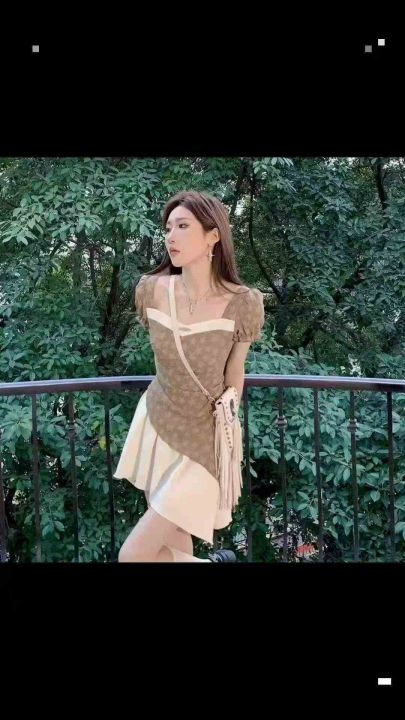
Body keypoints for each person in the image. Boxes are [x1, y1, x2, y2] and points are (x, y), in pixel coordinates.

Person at [113, 190, 264, 562]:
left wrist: (230, 404)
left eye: (183, 226)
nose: (171, 236)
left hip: (204, 442)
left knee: (132, 556)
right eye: (168, 228)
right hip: (158, 424)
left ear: (213, 236)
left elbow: (235, 371)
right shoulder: (152, 290)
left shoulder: (243, 303)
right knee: (175, 544)